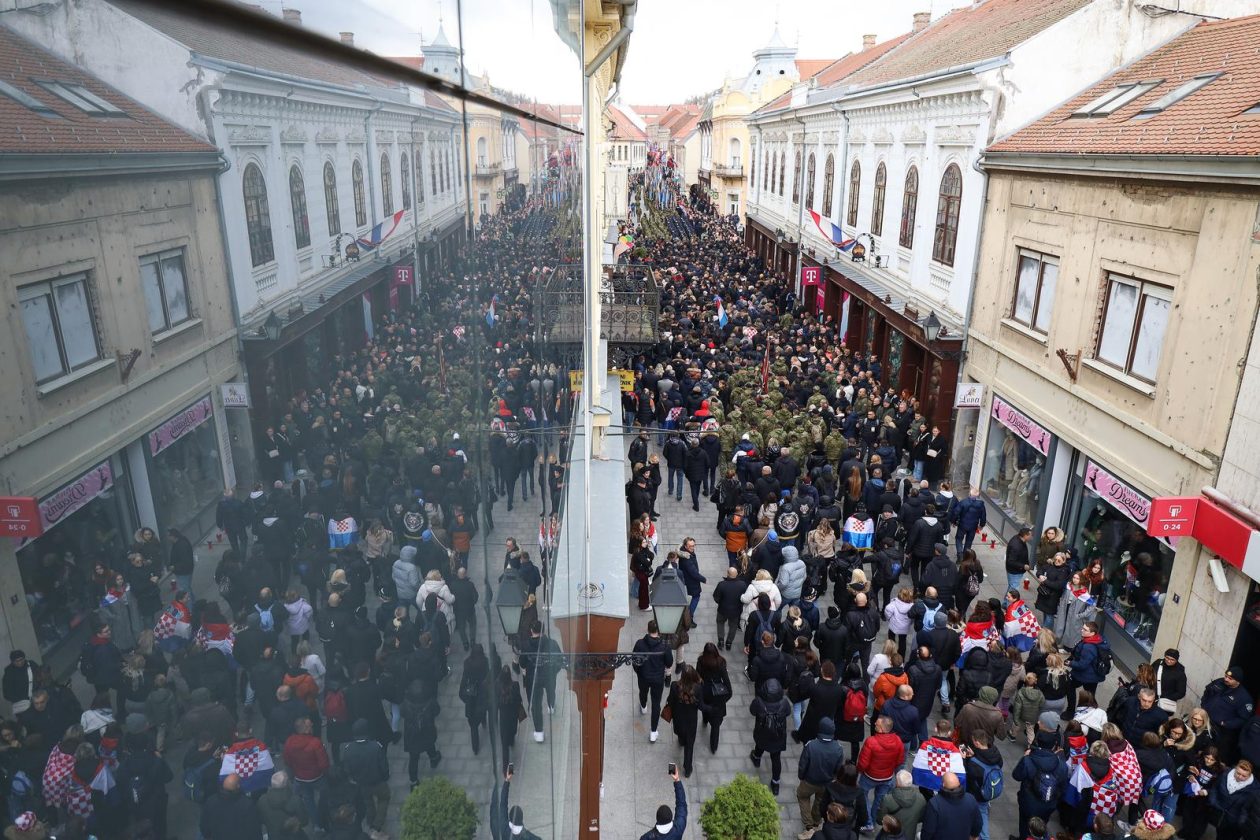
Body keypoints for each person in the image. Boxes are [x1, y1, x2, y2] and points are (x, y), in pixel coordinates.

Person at [1012, 722, 1069, 839]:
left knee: (1024, 825)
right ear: (1054, 746)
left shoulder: (1028, 760)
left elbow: (1016, 775)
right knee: (1041, 825)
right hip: (1048, 804)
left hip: (1028, 802)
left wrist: (1025, 757)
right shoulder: (1062, 765)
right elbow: (1063, 788)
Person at [798, 717, 845, 833]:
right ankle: (816, 821)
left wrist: (801, 776)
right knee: (820, 800)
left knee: (802, 796)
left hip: (809, 781)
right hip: (826, 783)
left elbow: (803, 764)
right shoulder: (838, 748)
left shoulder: (811, 745)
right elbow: (839, 769)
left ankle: (808, 825)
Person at [519, 620, 562, 743]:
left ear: (532, 631)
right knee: (551, 691)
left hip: (533, 679)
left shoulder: (526, 646)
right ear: (543, 631)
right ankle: (551, 705)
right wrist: (553, 671)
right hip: (548, 676)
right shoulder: (552, 644)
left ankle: (539, 732)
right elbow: (560, 660)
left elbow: (522, 663)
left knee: (536, 704)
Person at [632, 620, 674, 743]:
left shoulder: (640, 644)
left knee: (643, 692)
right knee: (656, 704)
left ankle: (644, 706)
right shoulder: (664, 647)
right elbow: (669, 662)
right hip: (657, 680)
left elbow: (635, 661)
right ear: (658, 631)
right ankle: (653, 732)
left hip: (643, 677)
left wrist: (639, 672)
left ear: (648, 629)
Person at [1202, 665, 1253, 763]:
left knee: (1214, 755)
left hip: (1221, 730)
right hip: (1205, 721)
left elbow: (1243, 719)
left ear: (1238, 681)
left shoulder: (1244, 698)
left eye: (1230, 678)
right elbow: (1207, 691)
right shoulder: (1219, 682)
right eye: (1226, 676)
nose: (1226, 679)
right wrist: (1204, 705)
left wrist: (1225, 724)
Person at [750, 677, 792, 795]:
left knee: (759, 745)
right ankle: (775, 784)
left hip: (762, 732)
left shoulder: (759, 701)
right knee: (776, 759)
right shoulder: (784, 702)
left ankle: (757, 759)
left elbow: (752, 711)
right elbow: (788, 713)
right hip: (777, 735)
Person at [665, 666, 706, 777]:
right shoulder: (697, 689)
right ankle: (687, 769)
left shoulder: (675, 686)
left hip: (678, 720)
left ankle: (681, 741)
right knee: (690, 747)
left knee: (681, 734)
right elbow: (701, 706)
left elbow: (670, 701)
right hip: (691, 723)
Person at [963, 730, 1003, 840]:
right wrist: (974, 755)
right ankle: (985, 838)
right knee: (983, 812)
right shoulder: (996, 753)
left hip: (977, 794)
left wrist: (965, 758)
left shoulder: (974, 763)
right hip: (988, 789)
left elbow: (967, 773)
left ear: (977, 743)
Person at [201, 773, 265, 840]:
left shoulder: (211, 801)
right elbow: (254, 831)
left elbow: (204, 827)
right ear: (238, 786)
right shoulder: (247, 805)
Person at [921, 771, 981, 840]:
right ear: (958, 783)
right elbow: (978, 824)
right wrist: (973, 835)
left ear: (943, 785)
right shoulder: (971, 799)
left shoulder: (934, 803)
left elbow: (928, 831)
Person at [697, 642, 733, 753]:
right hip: (717, 696)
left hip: (705, 691)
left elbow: (697, 676)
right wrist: (723, 700)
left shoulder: (701, 661)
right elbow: (728, 687)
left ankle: (705, 720)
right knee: (716, 726)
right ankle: (713, 747)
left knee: (705, 708)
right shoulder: (721, 663)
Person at [1210, 758, 1257, 840]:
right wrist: (1213, 802)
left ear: (1250, 775)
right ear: (1235, 769)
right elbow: (1215, 788)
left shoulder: (1254, 789)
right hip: (1220, 817)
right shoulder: (1225, 775)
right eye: (1238, 773)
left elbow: (1250, 809)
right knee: (1219, 836)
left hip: (1235, 825)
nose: (1240, 777)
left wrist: (1241, 822)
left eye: (1244, 776)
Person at [638, 765, 687, 840]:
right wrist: (677, 780)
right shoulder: (679, 827)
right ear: (671, 817)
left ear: (657, 819)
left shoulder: (649, 837)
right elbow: (681, 804)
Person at [498, 768, 543, 840]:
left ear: (509, 817)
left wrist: (507, 780)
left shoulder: (504, 826)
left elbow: (503, 803)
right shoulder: (527, 836)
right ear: (521, 819)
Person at [712, 567, 746, 651]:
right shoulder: (742, 584)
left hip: (722, 610)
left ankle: (721, 640)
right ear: (737, 574)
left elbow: (716, 597)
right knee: (733, 626)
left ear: (727, 574)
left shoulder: (722, 584)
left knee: (720, 623)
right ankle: (729, 643)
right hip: (736, 611)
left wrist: (720, 603)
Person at [1005, 527, 1032, 592]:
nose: (1031, 537)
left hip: (1015, 570)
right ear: (1025, 536)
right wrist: (1023, 566)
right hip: (1015, 572)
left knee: (1011, 587)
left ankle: (1006, 602)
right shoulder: (1016, 546)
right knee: (1014, 591)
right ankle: (1009, 602)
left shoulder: (1019, 539)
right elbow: (1011, 561)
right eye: (1030, 535)